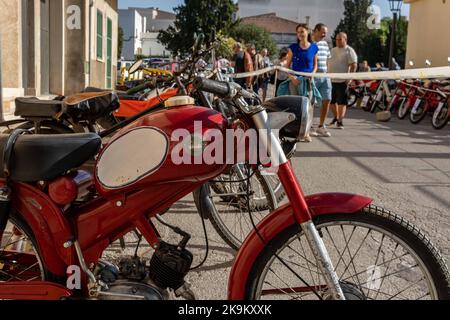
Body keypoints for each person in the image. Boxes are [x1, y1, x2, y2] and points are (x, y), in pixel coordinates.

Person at [284, 24, 319, 142]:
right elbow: (287, 66)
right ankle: (295, 132)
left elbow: (315, 65)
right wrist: (292, 77)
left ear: (307, 32)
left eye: (302, 31)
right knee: (295, 107)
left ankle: (306, 132)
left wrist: (312, 75)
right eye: (298, 32)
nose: (300, 34)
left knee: (309, 107)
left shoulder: (314, 47)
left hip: (308, 81)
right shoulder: (293, 47)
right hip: (295, 81)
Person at [328, 32, 358, 129]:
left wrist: (349, 78)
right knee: (331, 101)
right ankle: (336, 117)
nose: (337, 41)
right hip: (330, 80)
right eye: (336, 39)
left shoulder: (349, 50)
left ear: (345, 39)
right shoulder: (332, 50)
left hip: (342, 82)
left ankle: (340, 120)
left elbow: (354, 65)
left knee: (342, 102)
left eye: (340, 39)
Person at [311, 23, 332, 137]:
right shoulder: (310, 45)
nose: (325, 34)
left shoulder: (325, 44)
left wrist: (328, 72)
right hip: (314, 76)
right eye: (323, 32)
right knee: (311, 101)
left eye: (326, 32)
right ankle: (309, 126)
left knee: (327, 99)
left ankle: (321, 126)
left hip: (325, 75)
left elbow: (328, 59)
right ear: (316, 31)